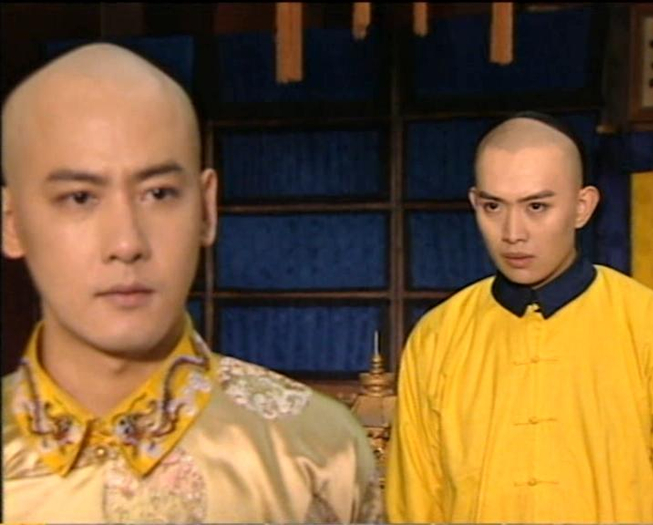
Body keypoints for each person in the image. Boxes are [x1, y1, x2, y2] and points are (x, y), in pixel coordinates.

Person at [1, 43, 382, 524]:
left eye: (159, 193)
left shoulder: (317, 455)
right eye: (80, 198)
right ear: (11, 222)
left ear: (206, 208)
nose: (126, 243)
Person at [385, 112, 653, 523]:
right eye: (493, 206)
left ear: (582, 207)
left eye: (537, 206)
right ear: (474, 203)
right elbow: (415, 506)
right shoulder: (438, 337)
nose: (513, 233)